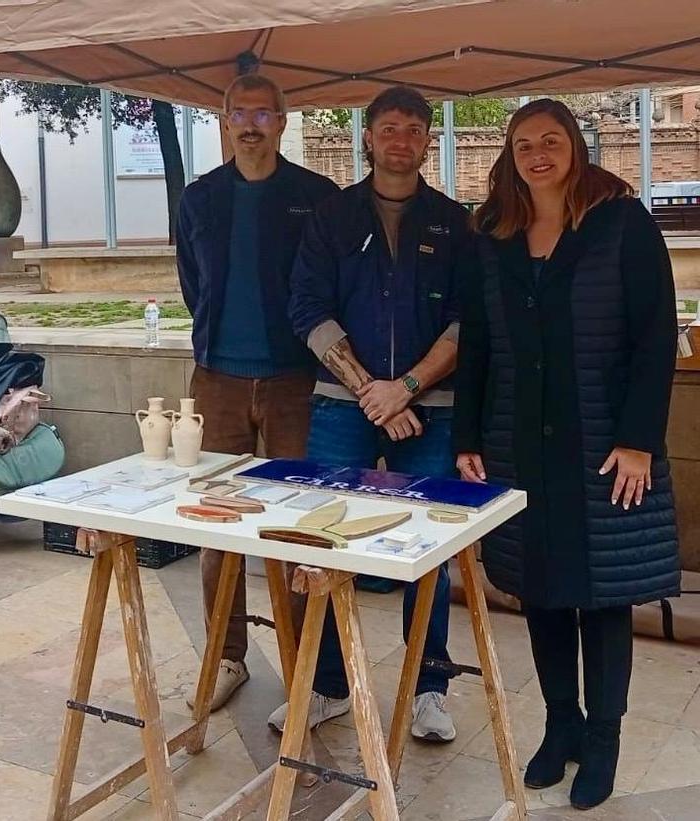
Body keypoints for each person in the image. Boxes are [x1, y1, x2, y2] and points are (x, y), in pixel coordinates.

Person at [454, 98, 680, 810]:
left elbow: (654, 337)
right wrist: (466, 438)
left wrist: (639, 438)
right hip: (519, 445)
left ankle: (605, 739)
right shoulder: (492, 236)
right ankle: (562, 726)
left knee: (604, 596)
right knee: (542, 591)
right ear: (510, 157)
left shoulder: (622, 223)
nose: (538, 153)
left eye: (551, 140)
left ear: (575, 147)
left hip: (608, 449)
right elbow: (479, 346)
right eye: (524, 144)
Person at [289, 86, 468, 741]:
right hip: (343, 407)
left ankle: (430, 689)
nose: (400, 140)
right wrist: (372, 389)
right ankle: (329, 685)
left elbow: (466, 320)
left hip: (434, 411)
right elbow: (305, 307)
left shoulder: (454, 222)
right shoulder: (331, 217)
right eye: (388, 128)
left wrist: (409, 386)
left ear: (427, 141)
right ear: (367, 138)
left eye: (413, 129)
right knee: (325, 543)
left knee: (431, 552)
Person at [177, 73, 339, 710]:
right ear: (222, 121)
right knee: (215, 523)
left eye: (263, 114)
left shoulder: (315, 197)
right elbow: (195, 285)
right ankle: (227, 656)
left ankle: (304, 668)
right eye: (238, 112)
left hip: (295, 382)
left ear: (283, 121)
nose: (250, 124)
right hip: (216, 380)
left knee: (296, 523)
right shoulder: (200, 200)